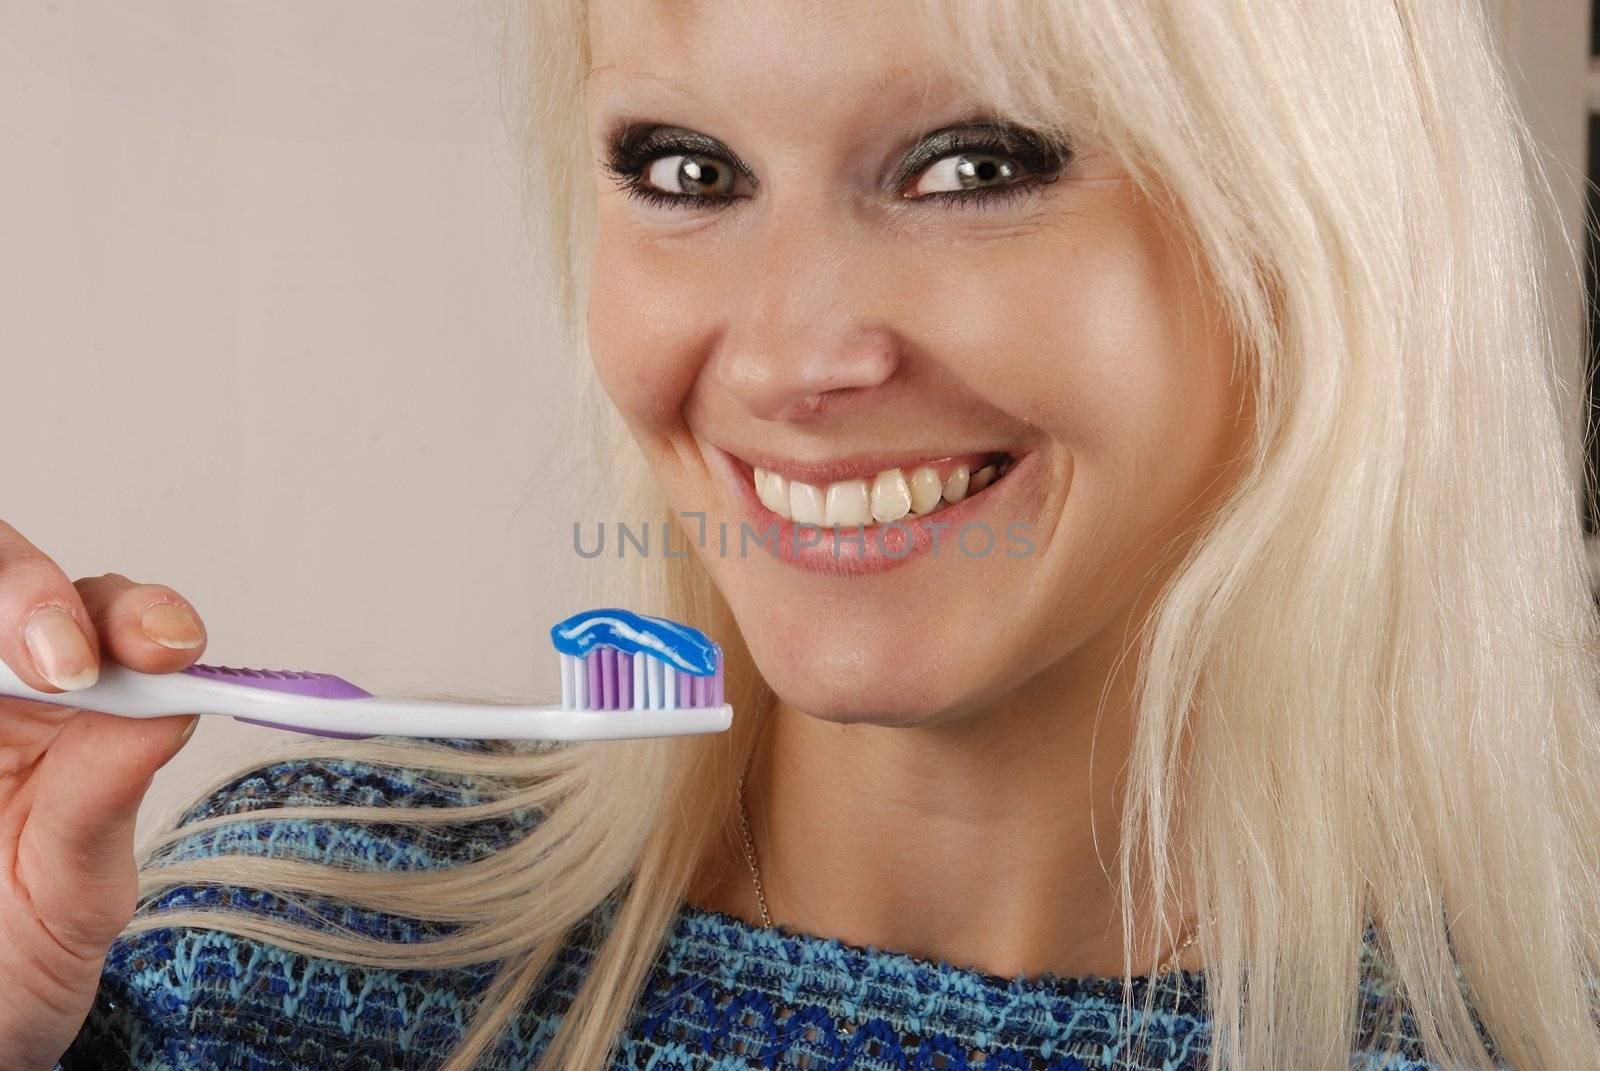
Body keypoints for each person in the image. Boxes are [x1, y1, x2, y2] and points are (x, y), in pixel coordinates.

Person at [4, 0, 1597, 1067]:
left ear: (1313, 228)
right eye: (685, 171)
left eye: (975, 165)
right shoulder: (277, 957)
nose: (783, 357)